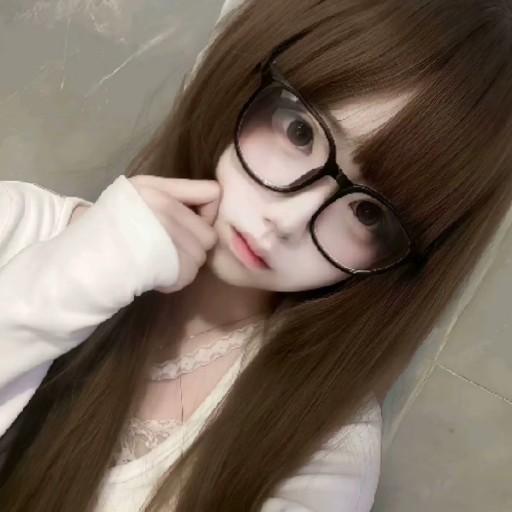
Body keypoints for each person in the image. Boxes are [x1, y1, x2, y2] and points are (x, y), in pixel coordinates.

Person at [0, 0, 511, 510]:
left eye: (367, 213)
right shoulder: (20, 226)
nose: (288, 221)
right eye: (301, 133)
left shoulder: (322, 452)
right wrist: (71, 280)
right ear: (246, 76)